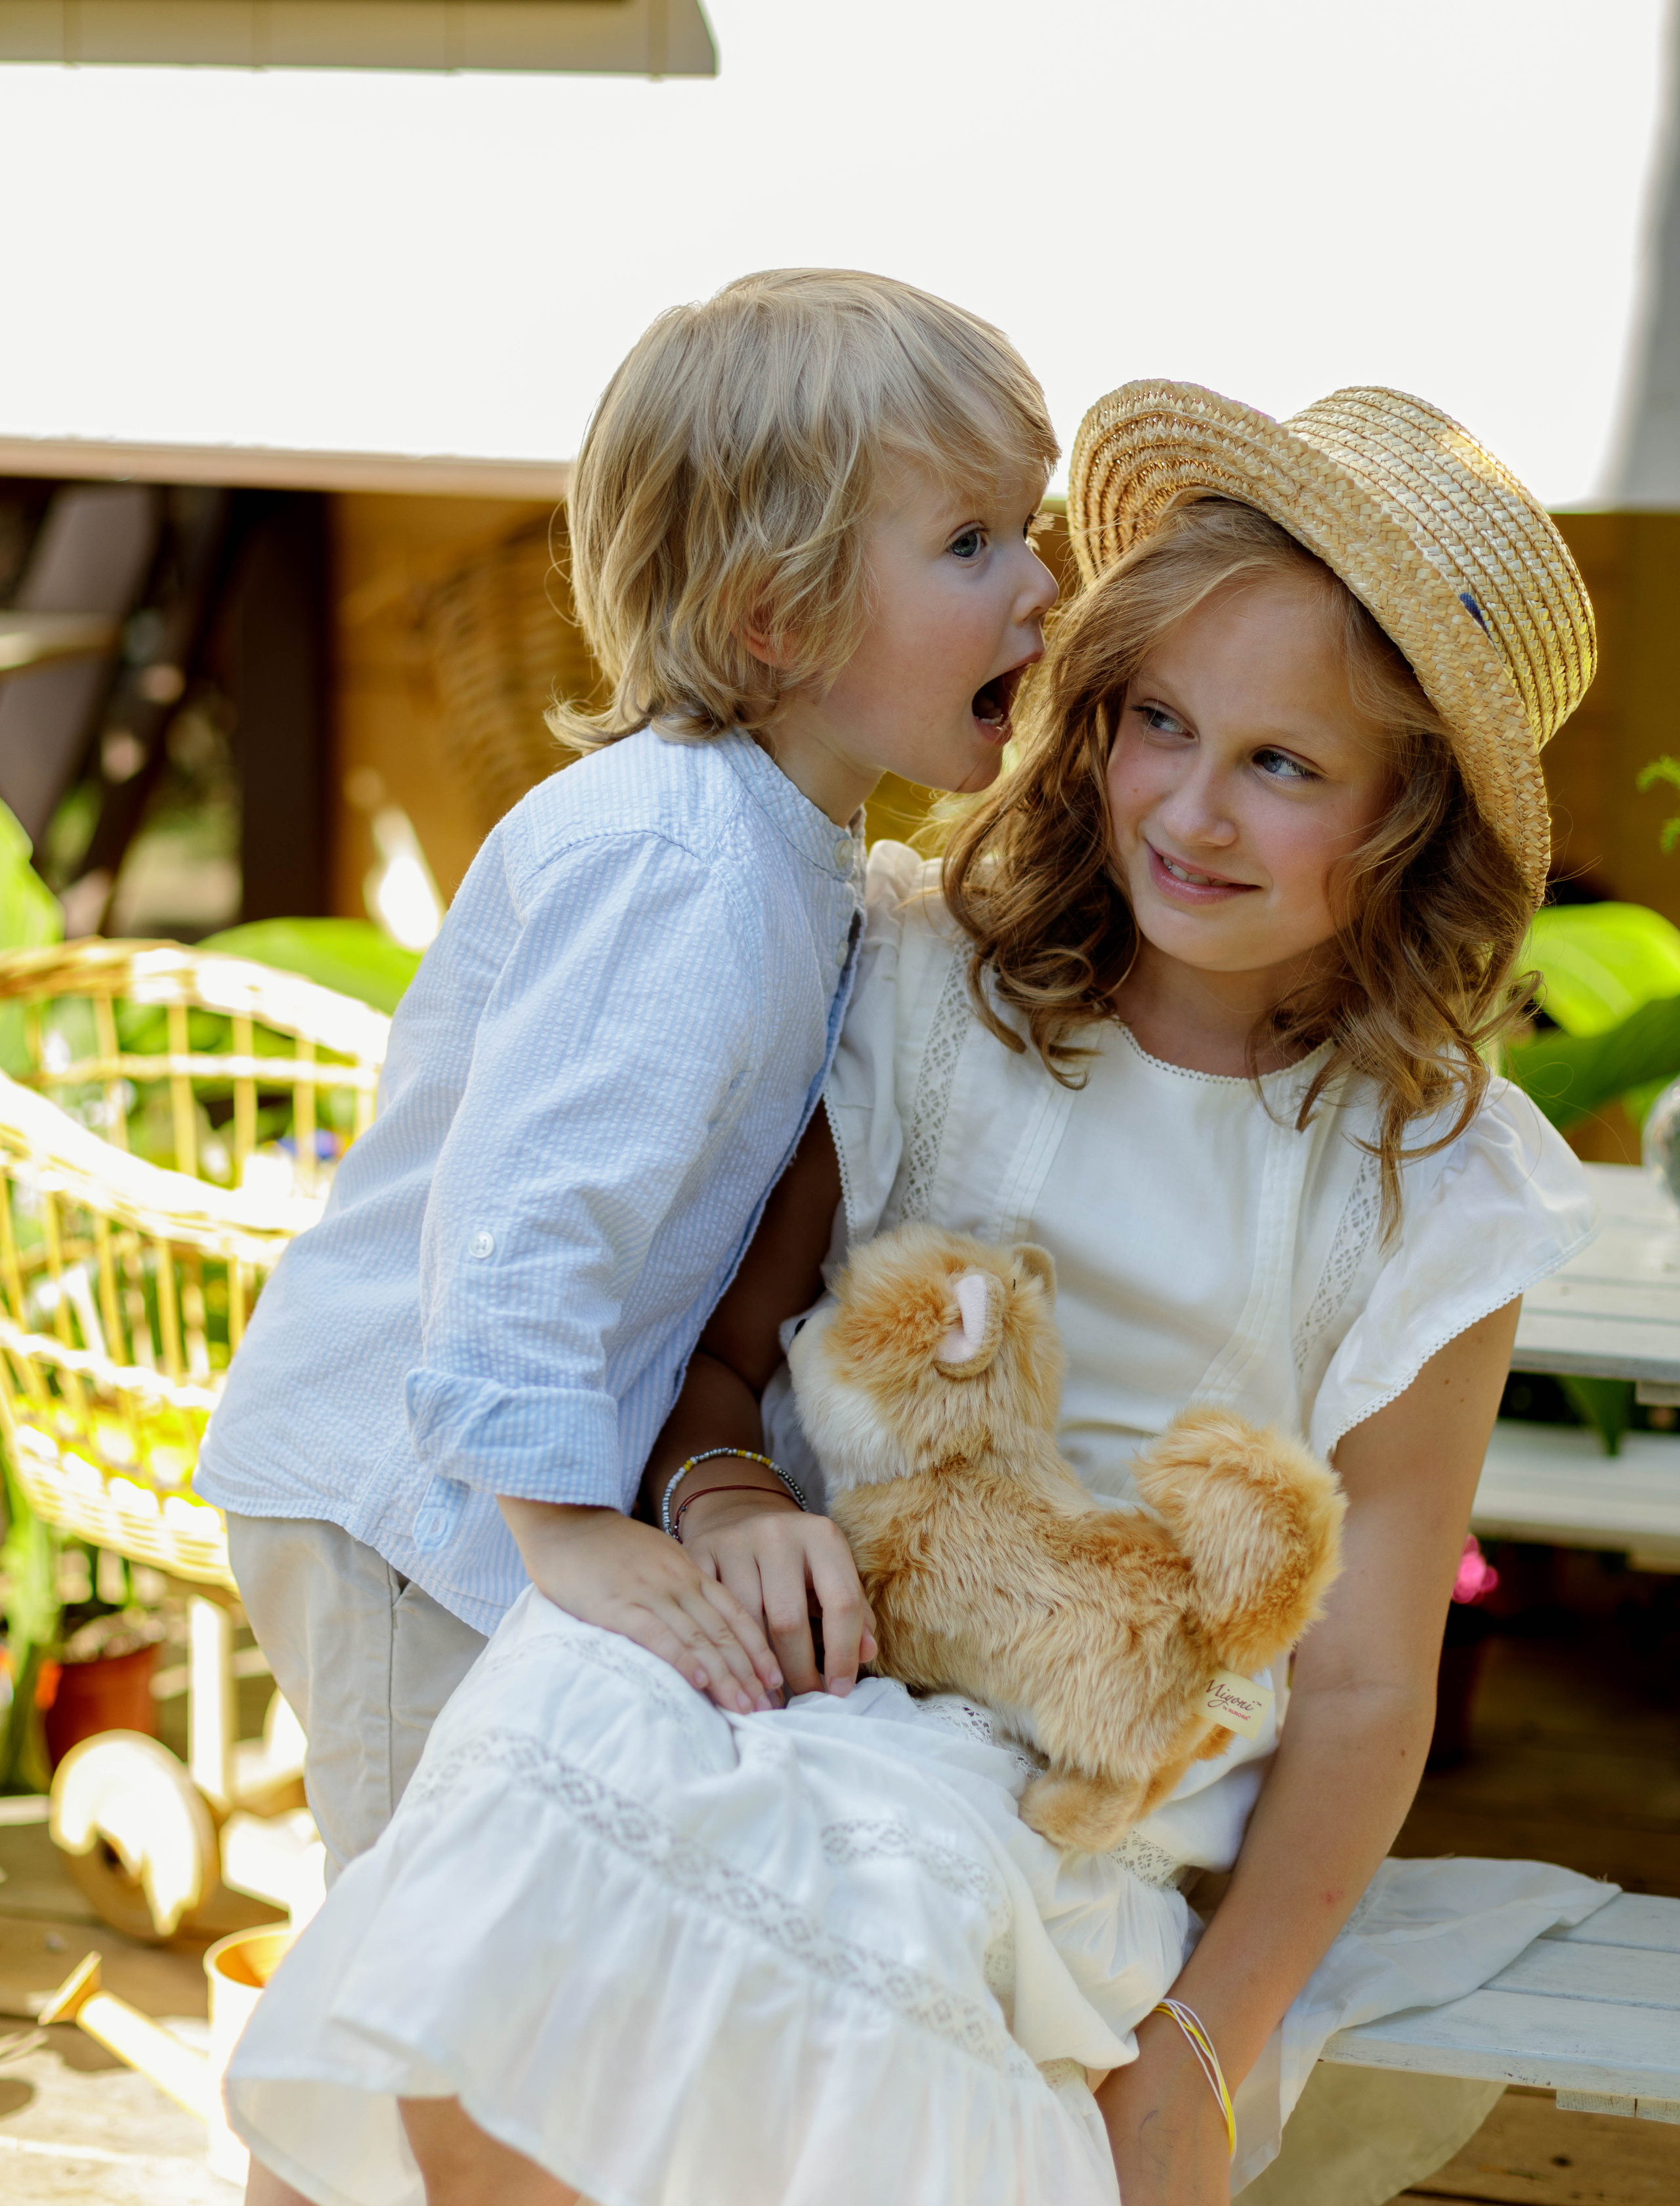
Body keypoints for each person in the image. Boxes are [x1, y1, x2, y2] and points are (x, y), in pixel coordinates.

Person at [224, 383, 1612, 2206]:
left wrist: (1205, 2048)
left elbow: (1362, 1689)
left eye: (1284, 765)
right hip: (811, 1647)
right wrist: (723, 1499)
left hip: (1073, 1782)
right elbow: (726, 1365)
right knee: (552, 1743)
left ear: (1410, 817)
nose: (1191, 808)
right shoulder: (937, 989)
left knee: (874, 1877)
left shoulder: (1425, 1179)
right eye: (1160, 725)